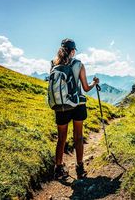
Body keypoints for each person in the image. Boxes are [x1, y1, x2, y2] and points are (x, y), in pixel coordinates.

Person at [52, 38, 99, 179]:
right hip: (77, 104)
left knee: (61, 138)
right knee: (78, 137)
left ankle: (58, 169)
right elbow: (85, 88)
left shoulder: (54, 64)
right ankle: (79, 168)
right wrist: (94, 83)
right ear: (73, 51)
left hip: (61, 106)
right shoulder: (79, 65)